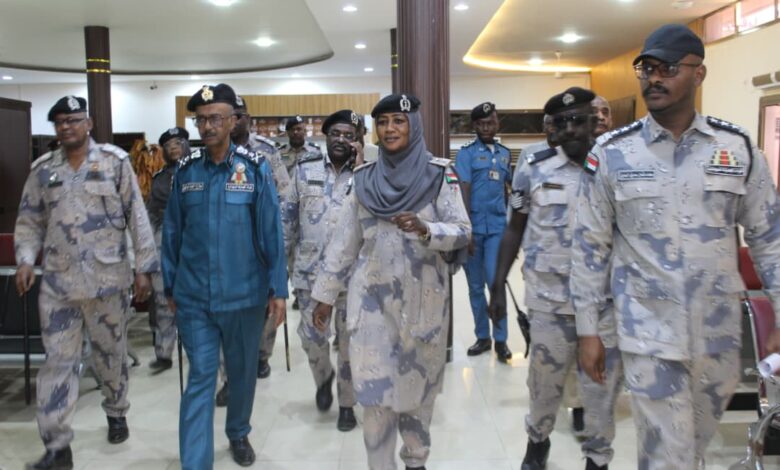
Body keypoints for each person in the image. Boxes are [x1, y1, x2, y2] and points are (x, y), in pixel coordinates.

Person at [571, 24, 780, 469]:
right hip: (647, 333)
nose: (653, 78)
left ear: (698, 73)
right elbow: (589, 247)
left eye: (666, 68)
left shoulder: (737, 148)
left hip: (718, 336)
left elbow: (770, 240)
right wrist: (588, 330)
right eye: (646, 69)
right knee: (668, 455)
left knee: (691, 449)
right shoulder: (612, 152)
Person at [310, 94, 471, 470]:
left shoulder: (439, 175)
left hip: (422, 309)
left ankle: (416, 461)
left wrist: (427, 229)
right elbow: (344, 243)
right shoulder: (364, 179)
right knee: (375, 399)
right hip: (371, 308)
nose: (390, 129)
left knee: (417, 397)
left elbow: (463, 231)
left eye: (398, 121)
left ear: (413, 125)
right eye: (383, 122)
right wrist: (325, 296)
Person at [15, 95, 158, 470]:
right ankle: (57, 446)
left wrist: (144, 268)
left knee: (110, 355)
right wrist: (25, 260)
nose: (66, 127)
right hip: (59, 286)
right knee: (58, 363)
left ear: (88, 123)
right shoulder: (43, 169)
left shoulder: (114, 162)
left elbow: (137, 216)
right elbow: (29, 220)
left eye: (74, 120)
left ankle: (116, 409)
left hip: (107, 283)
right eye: (60, 122)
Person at [489, 87, 622, 470]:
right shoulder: (534, 167)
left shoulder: (615, 167)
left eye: (577, 120)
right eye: (560, 123)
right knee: (543, 384)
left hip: (604, 304)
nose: (569, 129)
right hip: (549, 302)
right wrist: (497, 285)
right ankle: (538, 441)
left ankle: (598, 458)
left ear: (594, 120)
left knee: (601, 391)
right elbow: (515, 227)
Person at [162, 84, 287, 469]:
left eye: (216, 118)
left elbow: (271, 231)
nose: (207, 126)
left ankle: (238, 431)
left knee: (242, 371)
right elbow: (172, 231)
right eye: (201, 120)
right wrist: (169, 285)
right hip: (194, 297)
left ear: (234, 121)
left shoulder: (255, 168)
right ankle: (195, 463)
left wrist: (278, 289)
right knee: (201, 375)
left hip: (244, 295)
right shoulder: (186, 171)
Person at [284, 109, 363, 431]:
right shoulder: (305, 170)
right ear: (325, 137)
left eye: (349, 135)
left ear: (358, 140)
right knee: (311, 338)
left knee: (349, 344)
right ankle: (323, 376)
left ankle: (347, 403)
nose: (341, 140)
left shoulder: (368, 173)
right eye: (335, 134)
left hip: (352, 276)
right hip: (310, 274)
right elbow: (287, 219)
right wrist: (277, 267)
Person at [228, 95, 292, 383]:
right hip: (229, 243)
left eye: (240, 115)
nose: (235, 120)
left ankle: (261, 355)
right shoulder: (213, 152)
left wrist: (279, 239)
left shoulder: (266, 150)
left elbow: (285, 194)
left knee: (267, 301)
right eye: (231, 115)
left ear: (248, 119)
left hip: (262, 241)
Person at [561, 95, 614, 434]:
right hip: (576, 270)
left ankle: (601, 402)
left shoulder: (623, 156)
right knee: (578, 340)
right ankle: (579, 406)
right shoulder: (568, 157)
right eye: (593, 113)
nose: (600, 118)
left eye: (605, 112)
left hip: (618, 275)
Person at [455, 102, 513, 363]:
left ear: (498, 123)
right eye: (481, 124)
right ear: (475, 126)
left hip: (497, 230)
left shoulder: (504, 154)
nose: (487, 127)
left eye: (491, 122)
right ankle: (483, 337)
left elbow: (507, 190)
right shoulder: (466, 154)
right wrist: (466, 230)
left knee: (495, 283)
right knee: (476, 287)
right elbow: (463, 190)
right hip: (474, 230)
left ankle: (501, 339)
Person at [147, 127, 190, 372]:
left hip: (194, 240)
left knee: (195, 300)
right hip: (164, 241)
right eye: (168, 145)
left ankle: (198, 350)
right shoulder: (160, 178)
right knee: (163, 298)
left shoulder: (200, 170)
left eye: (178, 143)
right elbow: (151, 214)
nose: (173, 148)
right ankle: (163, 353)